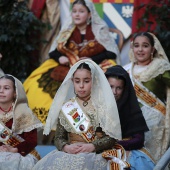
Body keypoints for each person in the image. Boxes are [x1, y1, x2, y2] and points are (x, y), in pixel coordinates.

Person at [23, 0, 120, 140]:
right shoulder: (67, 29)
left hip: (93, 66)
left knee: (108, 79)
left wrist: (93, 59)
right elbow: (53, 53)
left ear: (90, 14)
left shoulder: (99, 29)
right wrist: (61, 57)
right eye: (74, 11)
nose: (77, 14)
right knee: (37, 85)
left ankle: (93, 129)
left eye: (81, 11)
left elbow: (111, 52)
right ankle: (56, 127)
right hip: (68, 66)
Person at [32, 59, 131, 170]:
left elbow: (111, 137)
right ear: (72, 81)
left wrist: (92, 146)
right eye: (77, 81)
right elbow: (59, 137)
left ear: (94, 81)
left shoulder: (103, 106)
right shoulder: (67, 107)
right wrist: (66, 147)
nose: (81, 86)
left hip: (96, 154)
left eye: (86, 81)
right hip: (70, 152)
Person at [124, 32, 170, 162]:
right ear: (132, 48)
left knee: (152, 159)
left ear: (152, 49)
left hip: (155, 121)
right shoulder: (126, 70)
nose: (140, 49)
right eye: (136, 46)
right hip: (131, 122)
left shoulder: (161, 67)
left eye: (145, 46)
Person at [105, 65, 155, 169]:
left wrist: (115, 145)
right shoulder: (95, 105)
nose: (114, 92)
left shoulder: (131, 108)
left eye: (119, 88)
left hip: (127, 152)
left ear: (125, 89)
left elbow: (139, 139)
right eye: (111, 86)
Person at [0, 74, 43, 170]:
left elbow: (32, 141)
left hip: (21, 153)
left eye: (6, 88)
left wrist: (14, 149)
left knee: (10, 161)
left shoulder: (23, 112)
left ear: (15, 93)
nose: (1, 91)